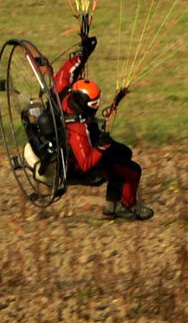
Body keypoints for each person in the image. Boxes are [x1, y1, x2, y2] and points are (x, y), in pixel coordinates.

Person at [52, 18, 152, 221]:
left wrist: (84, 53)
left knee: (125, 152)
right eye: (94, 103)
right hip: (84, 166)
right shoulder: (77, 128)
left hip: (92, 148)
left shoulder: (63, 91)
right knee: (133, 171)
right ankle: (127, 206)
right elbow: (86, 163)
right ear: (83, 102)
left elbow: (67, 71)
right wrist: (101, 146)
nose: (97, 105)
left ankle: (113, 203)